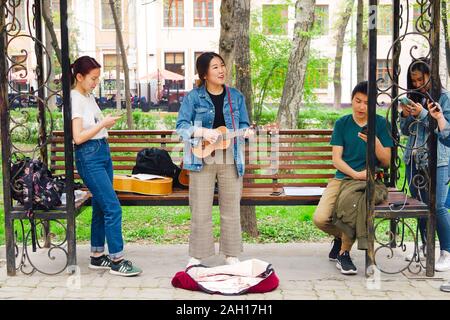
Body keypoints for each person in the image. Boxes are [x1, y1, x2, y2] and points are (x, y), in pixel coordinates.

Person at [176, 52, 254, 268]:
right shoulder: (193, 97)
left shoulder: (236, 96)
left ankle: (231, 254)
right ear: (204, 73)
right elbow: (181, 128)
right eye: (215, 67)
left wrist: (247, 133)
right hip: (201, 157)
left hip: (230, 156)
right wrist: (201, 132)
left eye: (222, 65)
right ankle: (198, 255)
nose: (221, 70)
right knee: (200, 209)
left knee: (230, 208)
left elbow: (245, 124)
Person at [70, 56, 142, 276]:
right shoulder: (76, 99)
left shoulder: (88, 96)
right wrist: (103, 123)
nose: (96, 82)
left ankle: (97, 255)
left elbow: (94, 127)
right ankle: (117, 260)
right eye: (93, 78)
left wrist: (104, 123)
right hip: (89, 156)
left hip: (102, 152)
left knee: (102, 207)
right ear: (79, 77)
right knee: (113, 207)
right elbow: (78, 137)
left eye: (97, 78)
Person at [313, 81, 393, 275]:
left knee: (354, 206)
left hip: (369, 180)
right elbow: (336, 159)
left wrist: (374, 142)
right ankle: (341, 237)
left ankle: (344, 254)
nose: (361, 107)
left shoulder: (380, 124)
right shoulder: (342, 123)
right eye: (358, 101)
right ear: (351, 100)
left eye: (366, 103)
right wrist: (355, 173)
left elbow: (386, 161)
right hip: (343, 178)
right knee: (320, 218)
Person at [400, 57, 450, 271]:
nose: (417, 84)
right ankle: (425, 246)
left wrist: (422, 113)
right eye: (413, 81)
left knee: (437, 206)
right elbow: (404, 130)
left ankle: (446, 252)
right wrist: (405, 114)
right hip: (413, 157)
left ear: (432, 75)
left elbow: (445, 131)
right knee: (419, 206)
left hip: (436, 160)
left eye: (421, 79)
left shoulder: (444, 97)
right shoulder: (414, 96)